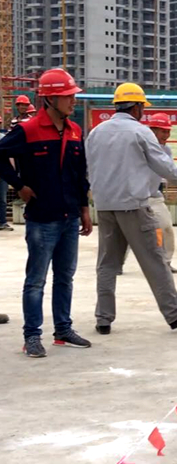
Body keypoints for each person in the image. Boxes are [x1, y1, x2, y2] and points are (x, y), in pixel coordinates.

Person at [86, 82, 177, 335]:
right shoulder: (140, 132)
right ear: (137, 107)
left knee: (107, 263)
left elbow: (88, 166)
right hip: (134, 204)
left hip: (105, 205)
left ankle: (103, 318)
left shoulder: (96, 132)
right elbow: (162, 164)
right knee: (154, 259)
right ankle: (175, 312)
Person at [0, 68, 92, 358]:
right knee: (36, 280)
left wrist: (84, 209)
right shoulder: (27, 130)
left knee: (65, 277)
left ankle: (63, 329)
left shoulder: (75, 130)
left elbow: (80, 174)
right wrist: (19, 185)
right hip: (42, 219)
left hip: (70, 217)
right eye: (67, 96)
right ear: (50, 99)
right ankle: (32, 335)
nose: (73, 101)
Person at [146, 112, 177, 272]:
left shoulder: (166, 150)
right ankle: (117, 263)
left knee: (166, 228)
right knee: (128, 234)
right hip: (134, 196)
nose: (166, 135)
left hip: (154, 196)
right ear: (152, 131)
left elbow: (169, 172)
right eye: (163, 131)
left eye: (168, 131)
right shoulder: (140, 147)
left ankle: (166, 261)